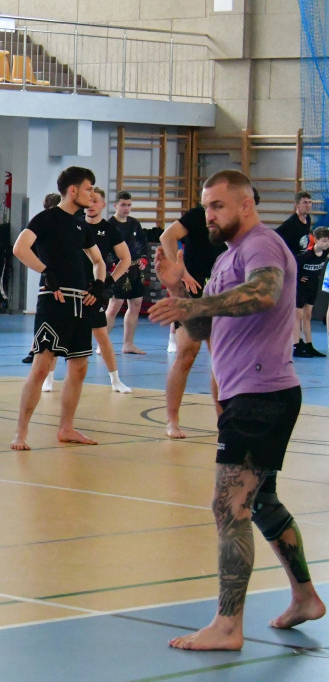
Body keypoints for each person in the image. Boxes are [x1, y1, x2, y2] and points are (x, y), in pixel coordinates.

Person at [148, 169, 325, 651]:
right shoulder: (228, 259)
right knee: (261, 502)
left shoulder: (260, 246)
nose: (209, 215)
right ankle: (306, 596)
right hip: (246, 397)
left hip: (261, 396)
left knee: (229, 506)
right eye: (206, 207)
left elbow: (264, 293)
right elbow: (209, 329)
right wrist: (180, 294)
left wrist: (194, 305)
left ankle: (228, 625)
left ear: (246, 205)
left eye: (218, 206)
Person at [10, 166, 107, 450]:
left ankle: (66, 428)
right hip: (55, 300)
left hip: (80, 302)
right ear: (74, 190)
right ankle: (21, 432)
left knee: (79, 367)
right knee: (42, 365)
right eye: (89, 189)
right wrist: (46, 272)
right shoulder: (47, 218)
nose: (92, 194)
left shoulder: (81, 225)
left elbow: (99, 261)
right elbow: (20, 248)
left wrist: (99, 286)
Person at [39, 187, 132, 394]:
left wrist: (106, 283)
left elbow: (125, 259)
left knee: (101, 335)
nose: (91, 205)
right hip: (68, 288)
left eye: (95, 201)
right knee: (57, 334)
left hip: (93, 291)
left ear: (102, 205)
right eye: (88, 201)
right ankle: (49, 378)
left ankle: (115, 380)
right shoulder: (74, 225)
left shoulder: (109, 230)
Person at [159, 204, 227, 438]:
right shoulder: (200, 214)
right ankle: (172, 420)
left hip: (221, 291)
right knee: (186, 353)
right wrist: (182, 272)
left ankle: (223, 420)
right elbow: (167, 236)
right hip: (193, 287)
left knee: (219, 357)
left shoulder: (237, 222)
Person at [21, 193, 65, 363]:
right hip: (48, 275)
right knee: (44, 313)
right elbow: (26, 247)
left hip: (65, 275)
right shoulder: (42, 223)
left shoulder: (68, 224)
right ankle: (35, 349)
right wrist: (41, 265)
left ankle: (59, 349)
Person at [105, 191, 149, 354]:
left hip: (135, 270)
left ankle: (128, 343)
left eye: (129, 205)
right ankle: (103, 344)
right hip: (118, 269)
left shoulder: (134, 224)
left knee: (136, 304)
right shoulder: (109, 225)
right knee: (115, 305)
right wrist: (113, 265)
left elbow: (143, 243)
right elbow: (105, 248)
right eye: (123, 205)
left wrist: (144, 258)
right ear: (115, 205)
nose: (126, 208)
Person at [292, 226, 329, 357]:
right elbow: (289, 266)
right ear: (316, 240)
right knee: (298, 316)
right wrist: (297, 277)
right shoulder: (306, 255)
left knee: (307, 315)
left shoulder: (325, 252)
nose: (327, 243)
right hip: (300, 287)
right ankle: (296, 346)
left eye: (328, 241)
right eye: (324, 241)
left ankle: (309, 345)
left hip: (312, 287)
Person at [276, 191, 313, 255]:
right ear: (296, 205)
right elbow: (275, 236)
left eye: (309, 202)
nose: (308, 205)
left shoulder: (308, 218)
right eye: (305, 203)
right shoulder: (290, 223)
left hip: (301, 255)